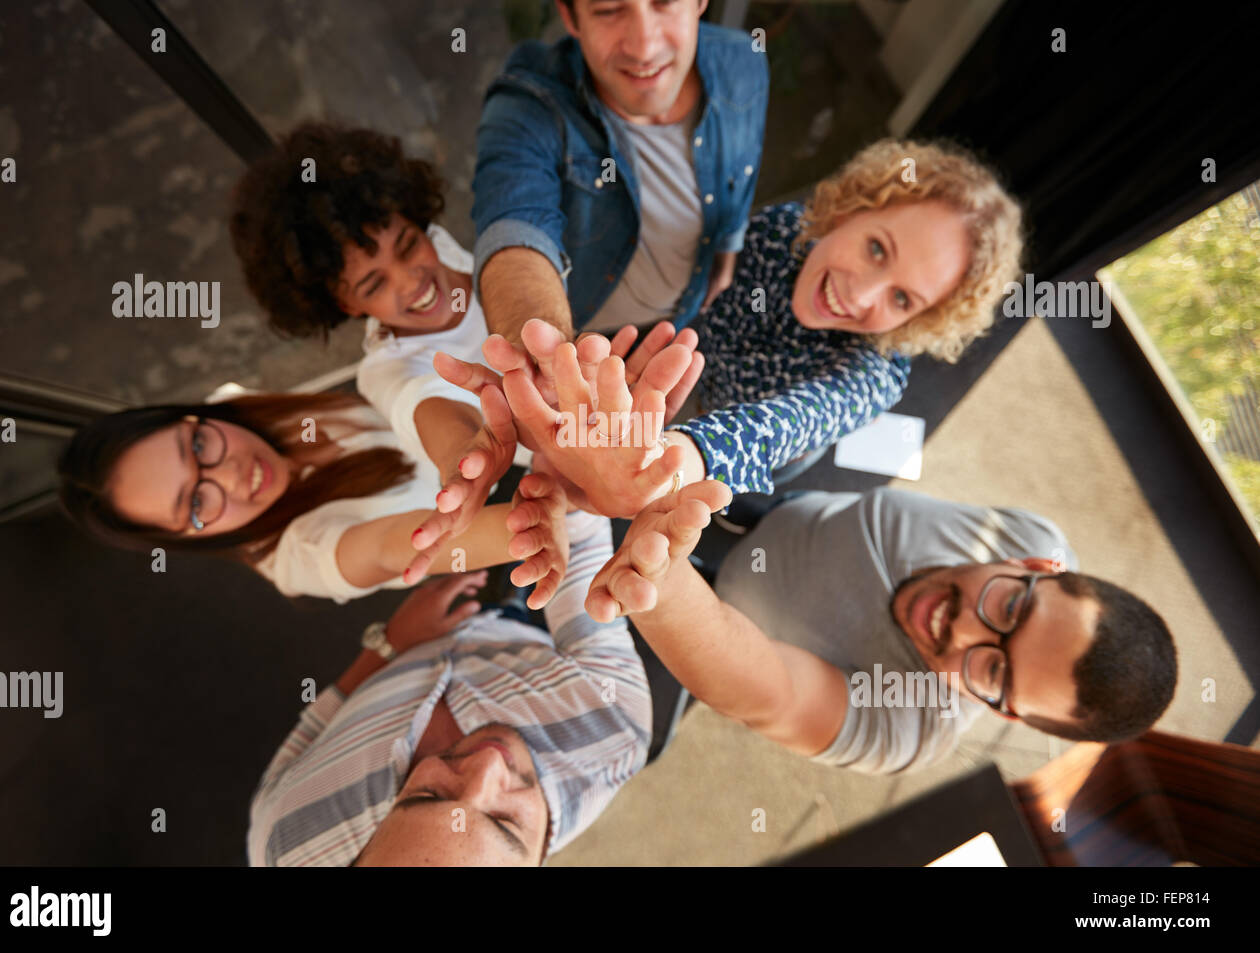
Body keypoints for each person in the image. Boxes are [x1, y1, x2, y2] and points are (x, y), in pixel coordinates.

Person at [456, 139, 1023, 511]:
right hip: (682, 369)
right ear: (853, 210)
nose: (861, 295)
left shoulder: (871, 378)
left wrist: (671, 464)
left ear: (920, 320)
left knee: (747, 489)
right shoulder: (783, 230)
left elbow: (775, 428)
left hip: (728, 434)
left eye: (902, 298)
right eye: (877, 248)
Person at [228, 121, 701, 543]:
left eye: (408, 245)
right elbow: (430, 413)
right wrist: (465, 459)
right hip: (569, 463)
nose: (411, 281)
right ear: (344, 305)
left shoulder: (442, 245)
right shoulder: (386, 371)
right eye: (373, 284)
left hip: (603, 373)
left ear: (419, 221)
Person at [246, 473, 731, 865]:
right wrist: (572, 478)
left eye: (425, 796)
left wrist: (387, 646)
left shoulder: (285, 841)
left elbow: (309, 730)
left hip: (422, 634)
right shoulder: (610, 728)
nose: (488, 764)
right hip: (544, 636)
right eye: (505, 823)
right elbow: (578, 529)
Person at [590, 483, 1179, 773]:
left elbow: (770, 693)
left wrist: (661, 582)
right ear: (1035, 565)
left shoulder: (909, 731)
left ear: (1005, 713)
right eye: (1008, 608)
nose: (961, 631)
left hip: (719, 611)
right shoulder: (1032, 532)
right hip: (794, 516)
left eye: (994, 671)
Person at [56, 388, 565, 603]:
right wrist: (544, 515)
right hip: (514, 511)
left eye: (197, 446)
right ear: (187, 538)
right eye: (195, 504)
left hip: (483, 428)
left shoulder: (238, 406)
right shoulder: (301, 555)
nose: (231, 475)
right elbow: (388, 547)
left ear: (194, 416)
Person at [471, 0, 768, 351]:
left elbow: (743, 170)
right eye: (609, 10)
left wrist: (727, 251)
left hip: (687, 313)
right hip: (587, 339)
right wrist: (548, 355)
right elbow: (514, 229)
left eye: (666, 2)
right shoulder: (530, 104)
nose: (644, 48)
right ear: (570, 17)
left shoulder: (743, 61)